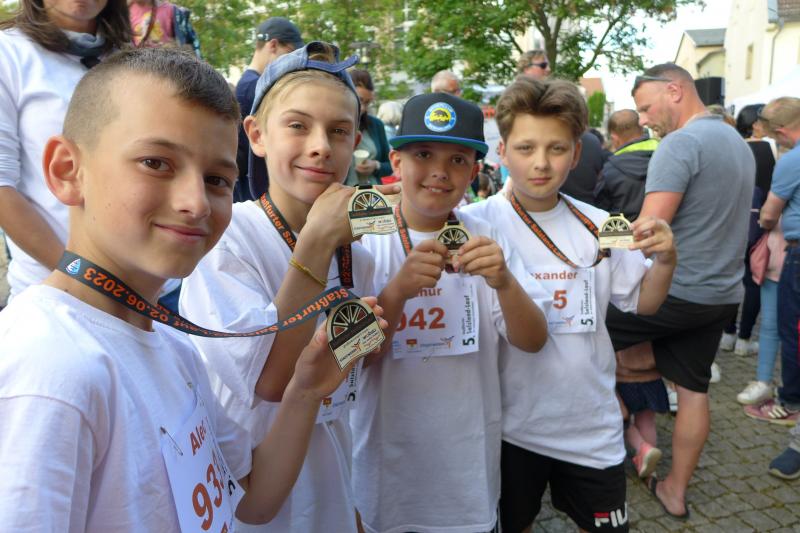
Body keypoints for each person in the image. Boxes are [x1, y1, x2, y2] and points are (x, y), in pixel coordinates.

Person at [0, 46, 382, 531]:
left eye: (217, 179)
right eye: (156, 162)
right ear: (67, 170)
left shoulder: (175, 349)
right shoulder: (48, 369)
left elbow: (252, 499)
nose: (195, 203)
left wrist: (306, 389)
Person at [180, 42, 397, 533]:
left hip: (329, 490)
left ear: (355, 141)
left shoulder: (358, 257)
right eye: (298, 125)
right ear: (256, 135)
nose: (320, 146)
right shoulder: (228, 240)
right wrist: (316, 242)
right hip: (251, 501)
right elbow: (271, 383)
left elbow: (342, 388)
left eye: (338, 131)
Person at [464, 77, 675, 532]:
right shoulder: (473, 225)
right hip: (509, 428)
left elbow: (644, 302)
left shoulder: (601, 224)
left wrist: (666, 259)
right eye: (525, 148)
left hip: (590, 427)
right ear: (502, 151)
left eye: (556, 149)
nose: (541, 163)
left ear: (576, 154)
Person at [350, 92, 549, 533]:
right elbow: (354, 362)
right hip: (385, 473)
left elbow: (534, 340)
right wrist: (397, 292)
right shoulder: (363, 239)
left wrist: (505, 282)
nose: (440, 171)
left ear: (474, 172)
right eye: (423, 154)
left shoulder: (488, 237)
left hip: (466, 474)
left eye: (458, 160)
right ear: (396, 162)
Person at [605, 63, 755, 520]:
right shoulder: (737, 141)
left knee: (582, 338)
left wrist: (591, 240)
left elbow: (647, 232)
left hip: (674, 292)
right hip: (722, 295)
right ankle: (674, 491)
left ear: (675, 90)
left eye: (646, 107)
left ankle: (620, 442)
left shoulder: (680, 143)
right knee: (693, 390)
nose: (644, 119)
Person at [0, 0, 130, 302]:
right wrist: (82, 274)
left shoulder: (127, 57)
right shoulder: (9, 53)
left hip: (152, 291)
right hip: (59, 293)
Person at [747, 97, 800, 432]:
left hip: (797, 252)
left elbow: (769, 214)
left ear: (781, 131)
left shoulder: (792, 160)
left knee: (791, 330)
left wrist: (764, 223)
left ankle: (790, 403)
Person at [722, 103, 778, 362]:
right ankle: (744, 339)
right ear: (756, 124)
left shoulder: (731, 149)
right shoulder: (773, 149)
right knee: (754, 279)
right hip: (761, 225)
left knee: (731, 278)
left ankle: (727, 333)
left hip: (730, 223)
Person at [233, 16, 303, 202]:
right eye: (290, 53)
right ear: (273, 45)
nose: (294, 62)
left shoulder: (249, 85)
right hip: (258, 192)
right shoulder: (255, 88)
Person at [594, 109, 658, 220]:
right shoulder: (665, 154)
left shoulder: (610, 170)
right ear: (641, 129)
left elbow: (599, 209)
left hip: (624, 229)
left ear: (614, 138)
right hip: (663, 228)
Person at [345, 68, 393, 186]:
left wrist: (376, 165)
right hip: (341, 193)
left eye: (367, 103)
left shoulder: (376, 125)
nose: (363, 108)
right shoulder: (332, 123)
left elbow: (390, 165)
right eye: (359, 100)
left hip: (371, 192)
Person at [127, 0, 200, 57]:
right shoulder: (125, 13)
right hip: (138, 66)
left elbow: (190, 46)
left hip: (167, 65)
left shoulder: (173, 11)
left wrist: (171, 49)